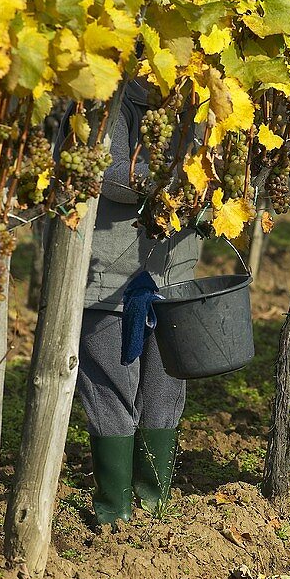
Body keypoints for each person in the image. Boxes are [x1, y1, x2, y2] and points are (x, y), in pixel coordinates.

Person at [64, 80, 201, 528]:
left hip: (173, 275)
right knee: (111, 388)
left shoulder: (204, 101)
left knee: (164, 388)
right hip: (109, 278)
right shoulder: (105, 99)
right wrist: (172, 178)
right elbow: (109, 175)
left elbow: (219, 175)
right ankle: (114, 507)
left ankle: (153, 500)